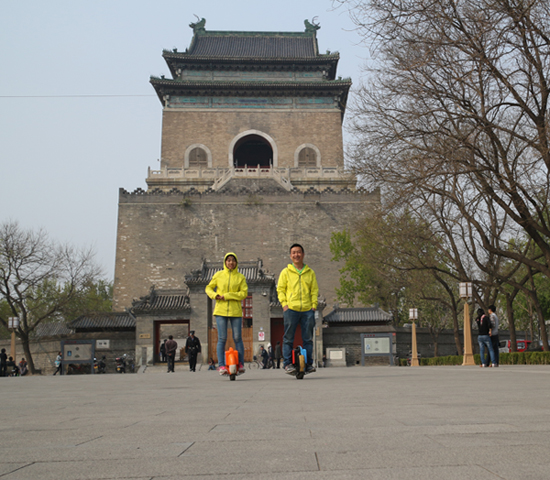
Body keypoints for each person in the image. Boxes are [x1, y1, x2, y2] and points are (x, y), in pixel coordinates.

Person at [277, 243, 319, 375]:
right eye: (294, 252)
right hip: (291, 309)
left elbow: (314, 290)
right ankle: (288, 364)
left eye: (299, 252)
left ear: (303, 254)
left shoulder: (310, 272)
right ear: (290, 255)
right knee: (288, 338)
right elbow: (280, 289)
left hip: (307, 309)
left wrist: (313, 305)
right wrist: (284, 305)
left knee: (308, 338)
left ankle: (309, 364)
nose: (296, 255)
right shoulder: (285, 272)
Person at [205, 252, 248, 376]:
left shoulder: (240, 277)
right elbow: (208, 288)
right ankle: (222, 365)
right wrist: (215, 295)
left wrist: (228, 296)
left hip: (235, 311)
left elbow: (243, 293)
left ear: (236, 262)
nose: (231, 262)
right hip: (221, 311)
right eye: (228, 260)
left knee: (237, 338)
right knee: (222, 338)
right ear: (225, 262)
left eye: (233, 260)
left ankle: (240, 364)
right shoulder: (218, 275)